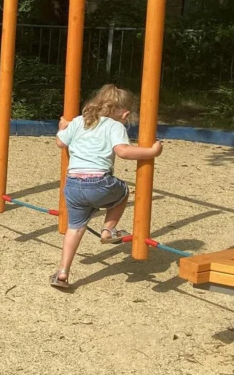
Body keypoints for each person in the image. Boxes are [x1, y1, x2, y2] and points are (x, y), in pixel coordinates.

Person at [51, 84, 163, 289]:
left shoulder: (79, 121)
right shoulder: (115, 126)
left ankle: (62, 272)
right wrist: (151, 152)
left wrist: (62, 128)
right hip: (98, 183)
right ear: (125, 114)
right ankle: (108, 230)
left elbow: (60, 143)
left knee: (74, 229)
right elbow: (123, 151)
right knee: (123, 192)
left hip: (73, 185)